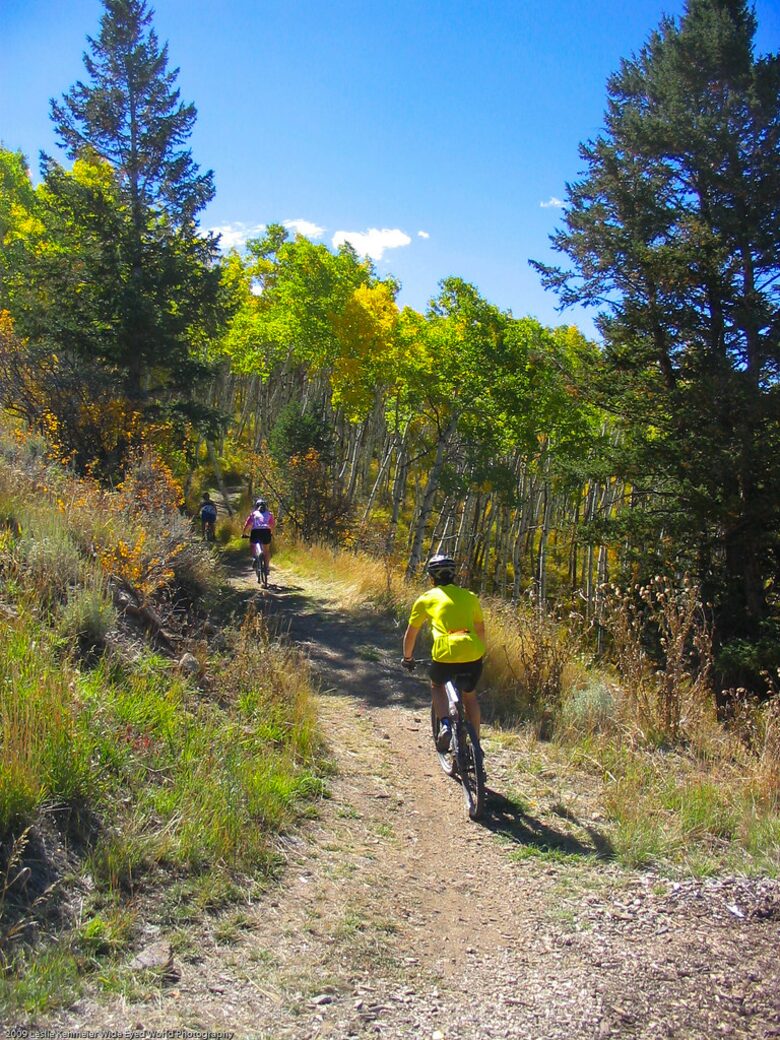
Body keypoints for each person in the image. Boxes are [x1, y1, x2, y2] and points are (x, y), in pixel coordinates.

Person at [401, 554, 486, 752]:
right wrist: (480, 652)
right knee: (470, 696)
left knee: (437, 685)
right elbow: (480, 629)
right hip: (472, 650)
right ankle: (475, 745)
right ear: (454, 574)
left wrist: (407, 658)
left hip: (444, 651)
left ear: (431, 576)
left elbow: (411, 633)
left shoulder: (426, 599)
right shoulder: (470, 597)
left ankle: (446, 725)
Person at [241, 498, 276, 576]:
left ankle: (255, 558)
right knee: (266, 551)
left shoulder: (253, 514)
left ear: (256, 506)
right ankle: (266, 568)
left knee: (252, 545)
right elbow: (272, 526)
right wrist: (272, 533)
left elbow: (247, 525)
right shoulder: (269, 514)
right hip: (266, 532)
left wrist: (244, 533)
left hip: (255, 532)